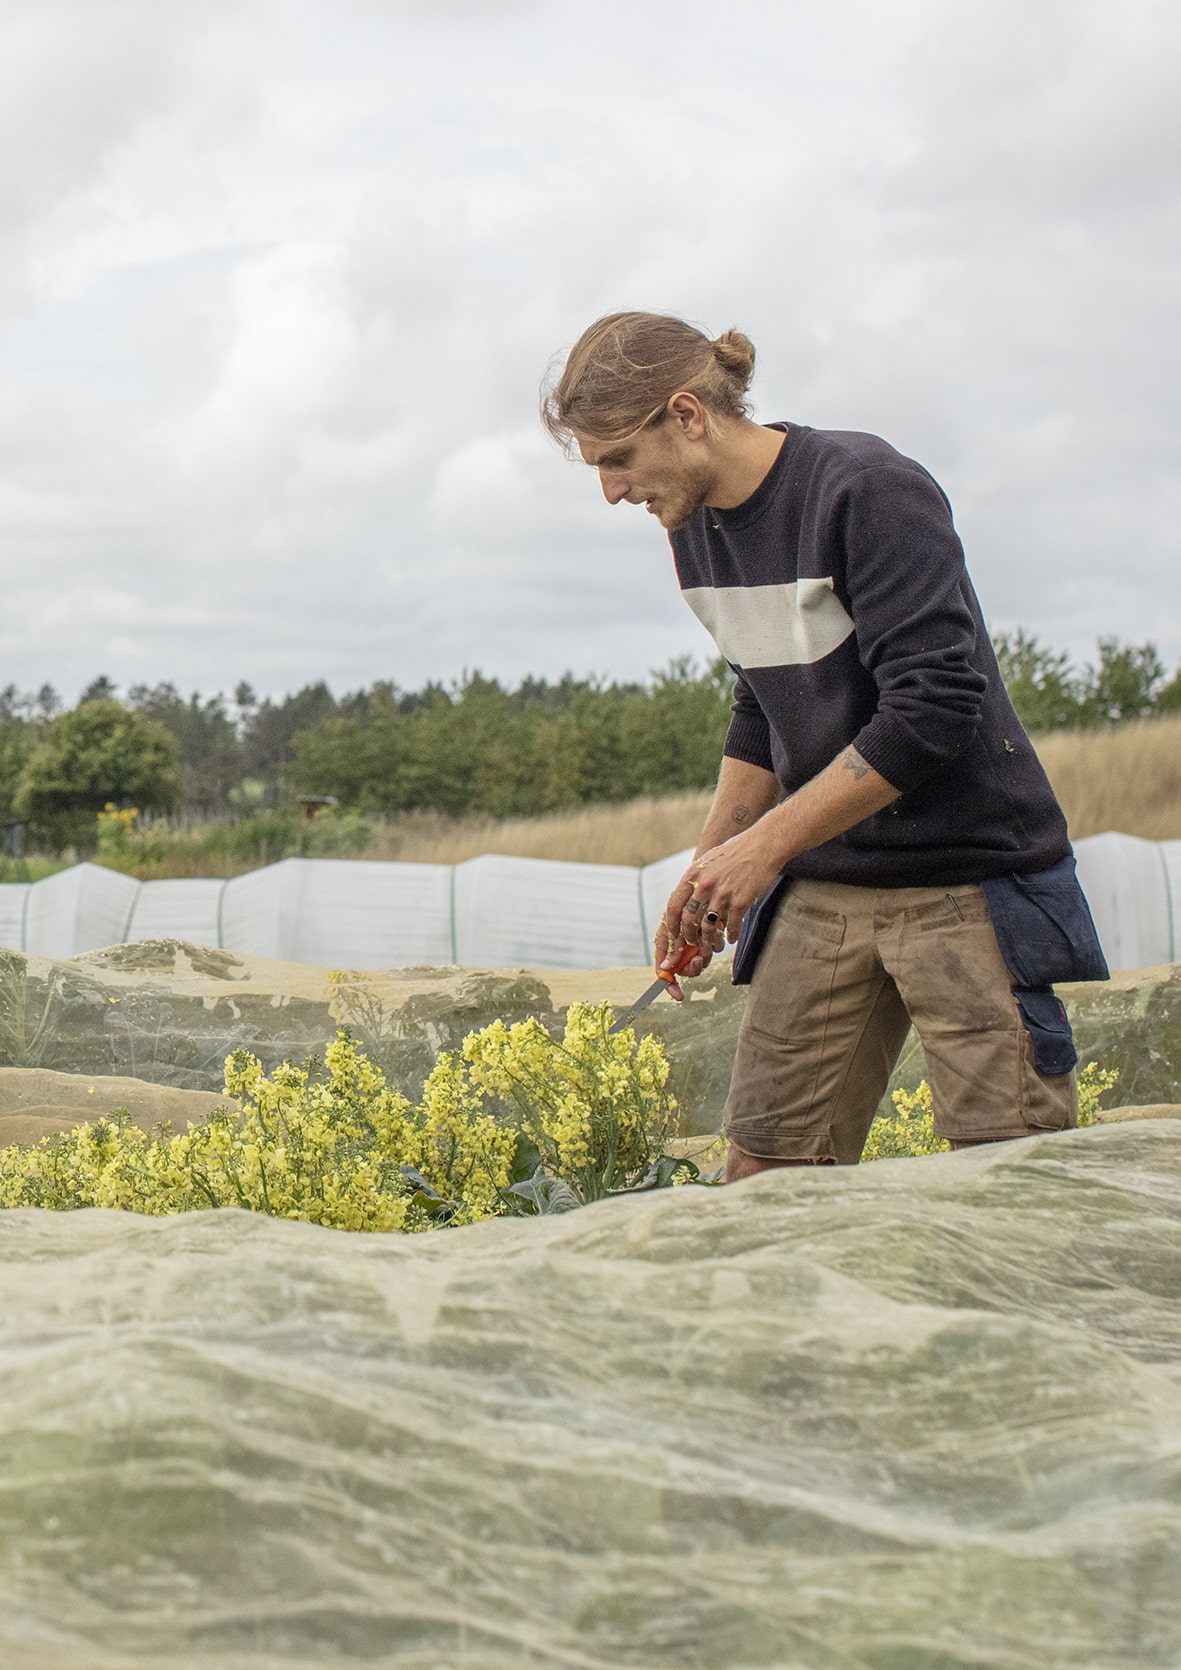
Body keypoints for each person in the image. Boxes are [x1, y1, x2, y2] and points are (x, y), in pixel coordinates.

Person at [541, 310, 1108, 1180]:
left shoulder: (866, 488)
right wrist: (711, 865)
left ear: (687, 416)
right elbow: (762, 699)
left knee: (1006, 1184)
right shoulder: (689, 525)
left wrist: (763, 847)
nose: (612, 490)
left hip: (965, 880)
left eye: (618, 458)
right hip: (824, 883)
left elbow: (934, 706)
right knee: (762, 1176)